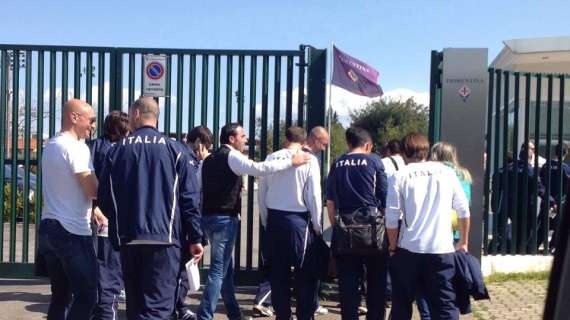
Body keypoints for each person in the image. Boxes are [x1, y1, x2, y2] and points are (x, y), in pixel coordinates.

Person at [97, 97, 204, 319]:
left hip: (129, 238)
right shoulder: (176, 151)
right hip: (165, 241)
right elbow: (190, 200)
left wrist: (120, 227)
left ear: (136, 113)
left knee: (135, 307)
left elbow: (105, 198)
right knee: (158, 308)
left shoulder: (116, 151)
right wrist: (195, 238)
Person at [198, 122, 311, 320]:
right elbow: (259, 168)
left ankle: (234, 313)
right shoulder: (231, 156)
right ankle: (205, 316)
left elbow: (198, 189)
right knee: (218, 271)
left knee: (226, 268)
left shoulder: (208, 160)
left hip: (208, 218)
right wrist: (292, 161)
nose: (245, 140)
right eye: (242, 136)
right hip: (225, 219)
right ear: (232, 139)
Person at [386, 133, 470, 320]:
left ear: (403, 153)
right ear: (426, 150)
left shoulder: (399, 175)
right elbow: (463, 210)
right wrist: (463, 241)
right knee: (445, 305)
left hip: (409, 249)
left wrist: (392, 247)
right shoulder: (447, 172)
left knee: (402, 305)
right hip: (442, 249)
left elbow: (391, 218)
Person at [38, 99, 103, 319]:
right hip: (72, 231)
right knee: (88, 295)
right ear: (74, 117)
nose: (93, 126)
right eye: (91, 120)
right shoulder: (77, 147)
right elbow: (93, 190)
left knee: (60, 296)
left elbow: (66, 186)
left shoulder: (52, 145)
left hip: (49, 229)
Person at [258, 126, 322, 320]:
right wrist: (317, 227)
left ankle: (282, 316)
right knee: (305, 276)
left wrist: (265, 220)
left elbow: (262, 194)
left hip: (275, 220)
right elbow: (314, 196)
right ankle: (304, 315)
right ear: (304, 142)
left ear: (286, 139)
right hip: (299, 222)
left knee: (278, 276)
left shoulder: (271, 158)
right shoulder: (309, 160)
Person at [326, 126, 388, 320]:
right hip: (372, 230)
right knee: (376, 282)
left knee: (348, 284)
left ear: (348, 143)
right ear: (368, 145)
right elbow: (385, 198)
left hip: (345, 230)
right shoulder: (375, 161)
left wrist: (336, 226)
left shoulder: (337, 163)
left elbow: (330, 202)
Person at [88, 111, 130, 320]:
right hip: (110, 214)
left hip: (100, 212)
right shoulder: (120, 148)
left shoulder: (94, 146)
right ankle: (106, 308)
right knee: (109, 263)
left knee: (102, 261)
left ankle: (101, 303)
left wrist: (93, 205)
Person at [173, 126, 214, 320]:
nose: (204, 152)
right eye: (204, 146)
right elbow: (190, 199)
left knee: (181, 269)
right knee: (183, 268)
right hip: (184, 223)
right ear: (198, 142)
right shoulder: (187, 159)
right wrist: (196, 235)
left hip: (179, 222)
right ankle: (177, 307)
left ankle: (177, 306)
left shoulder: (179, 156)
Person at [538, 143, 570, 252]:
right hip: (559, 204)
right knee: (558, 227)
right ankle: (552, 248)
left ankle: (532, 247)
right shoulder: (565, 169)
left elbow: (540, 184)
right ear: (566, 153)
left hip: (546, 201)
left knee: (542, 226)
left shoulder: (545, 166)